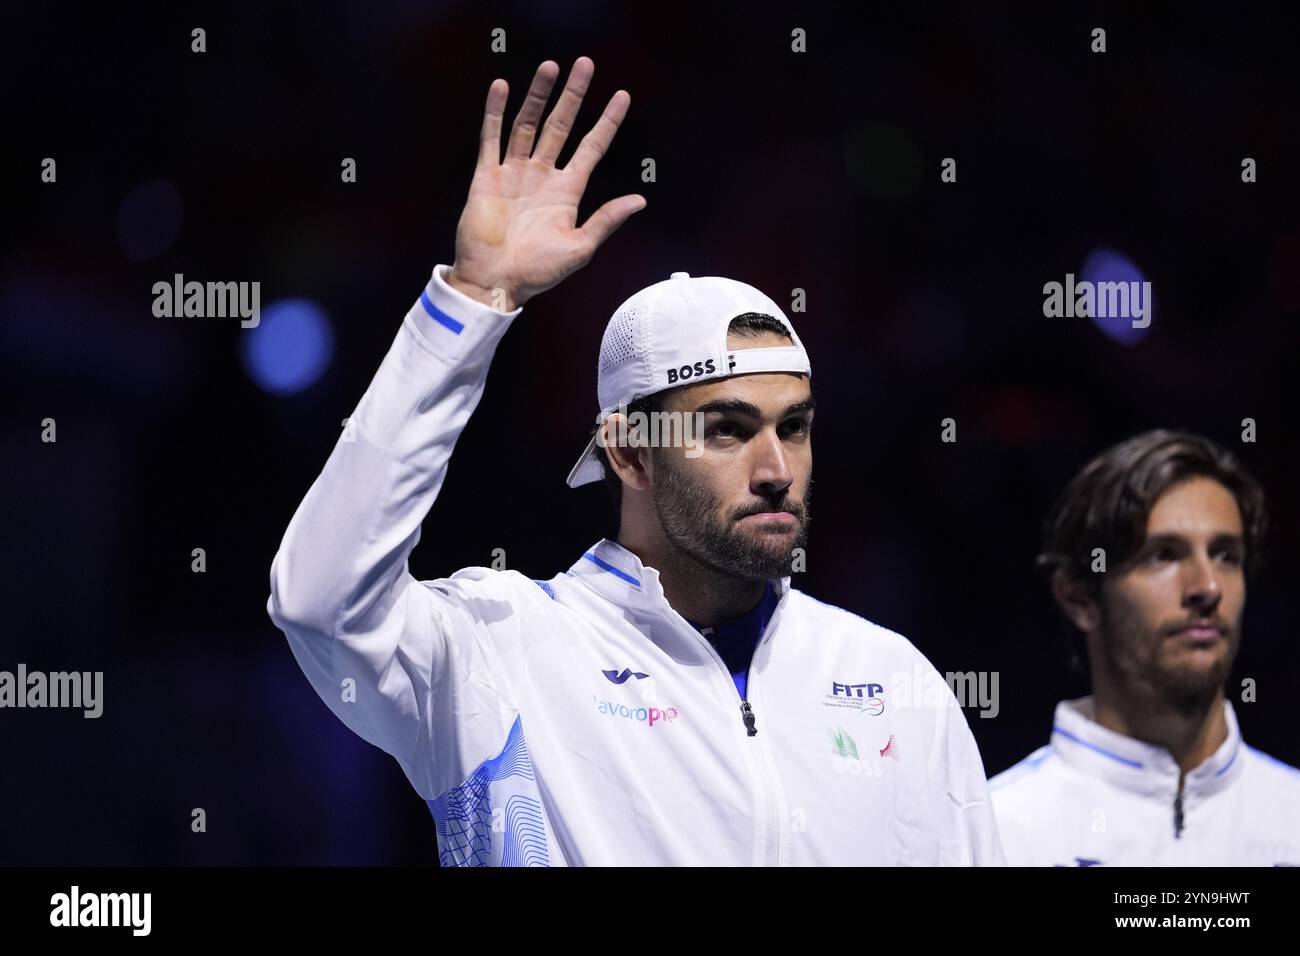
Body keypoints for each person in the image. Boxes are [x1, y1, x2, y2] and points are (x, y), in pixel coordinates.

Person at [267, 56, 1004, 866]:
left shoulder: (890, 681)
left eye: (792, 427)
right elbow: (320, 601)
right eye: (726, 430)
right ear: (628, 452)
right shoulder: (501, 653)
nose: (775, 467)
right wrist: (471, 300)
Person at [989, 430, 1300, 865]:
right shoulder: (997, 833)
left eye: (1226, 555)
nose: (1207, 588)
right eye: (1163, 555)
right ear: (1079, 597)